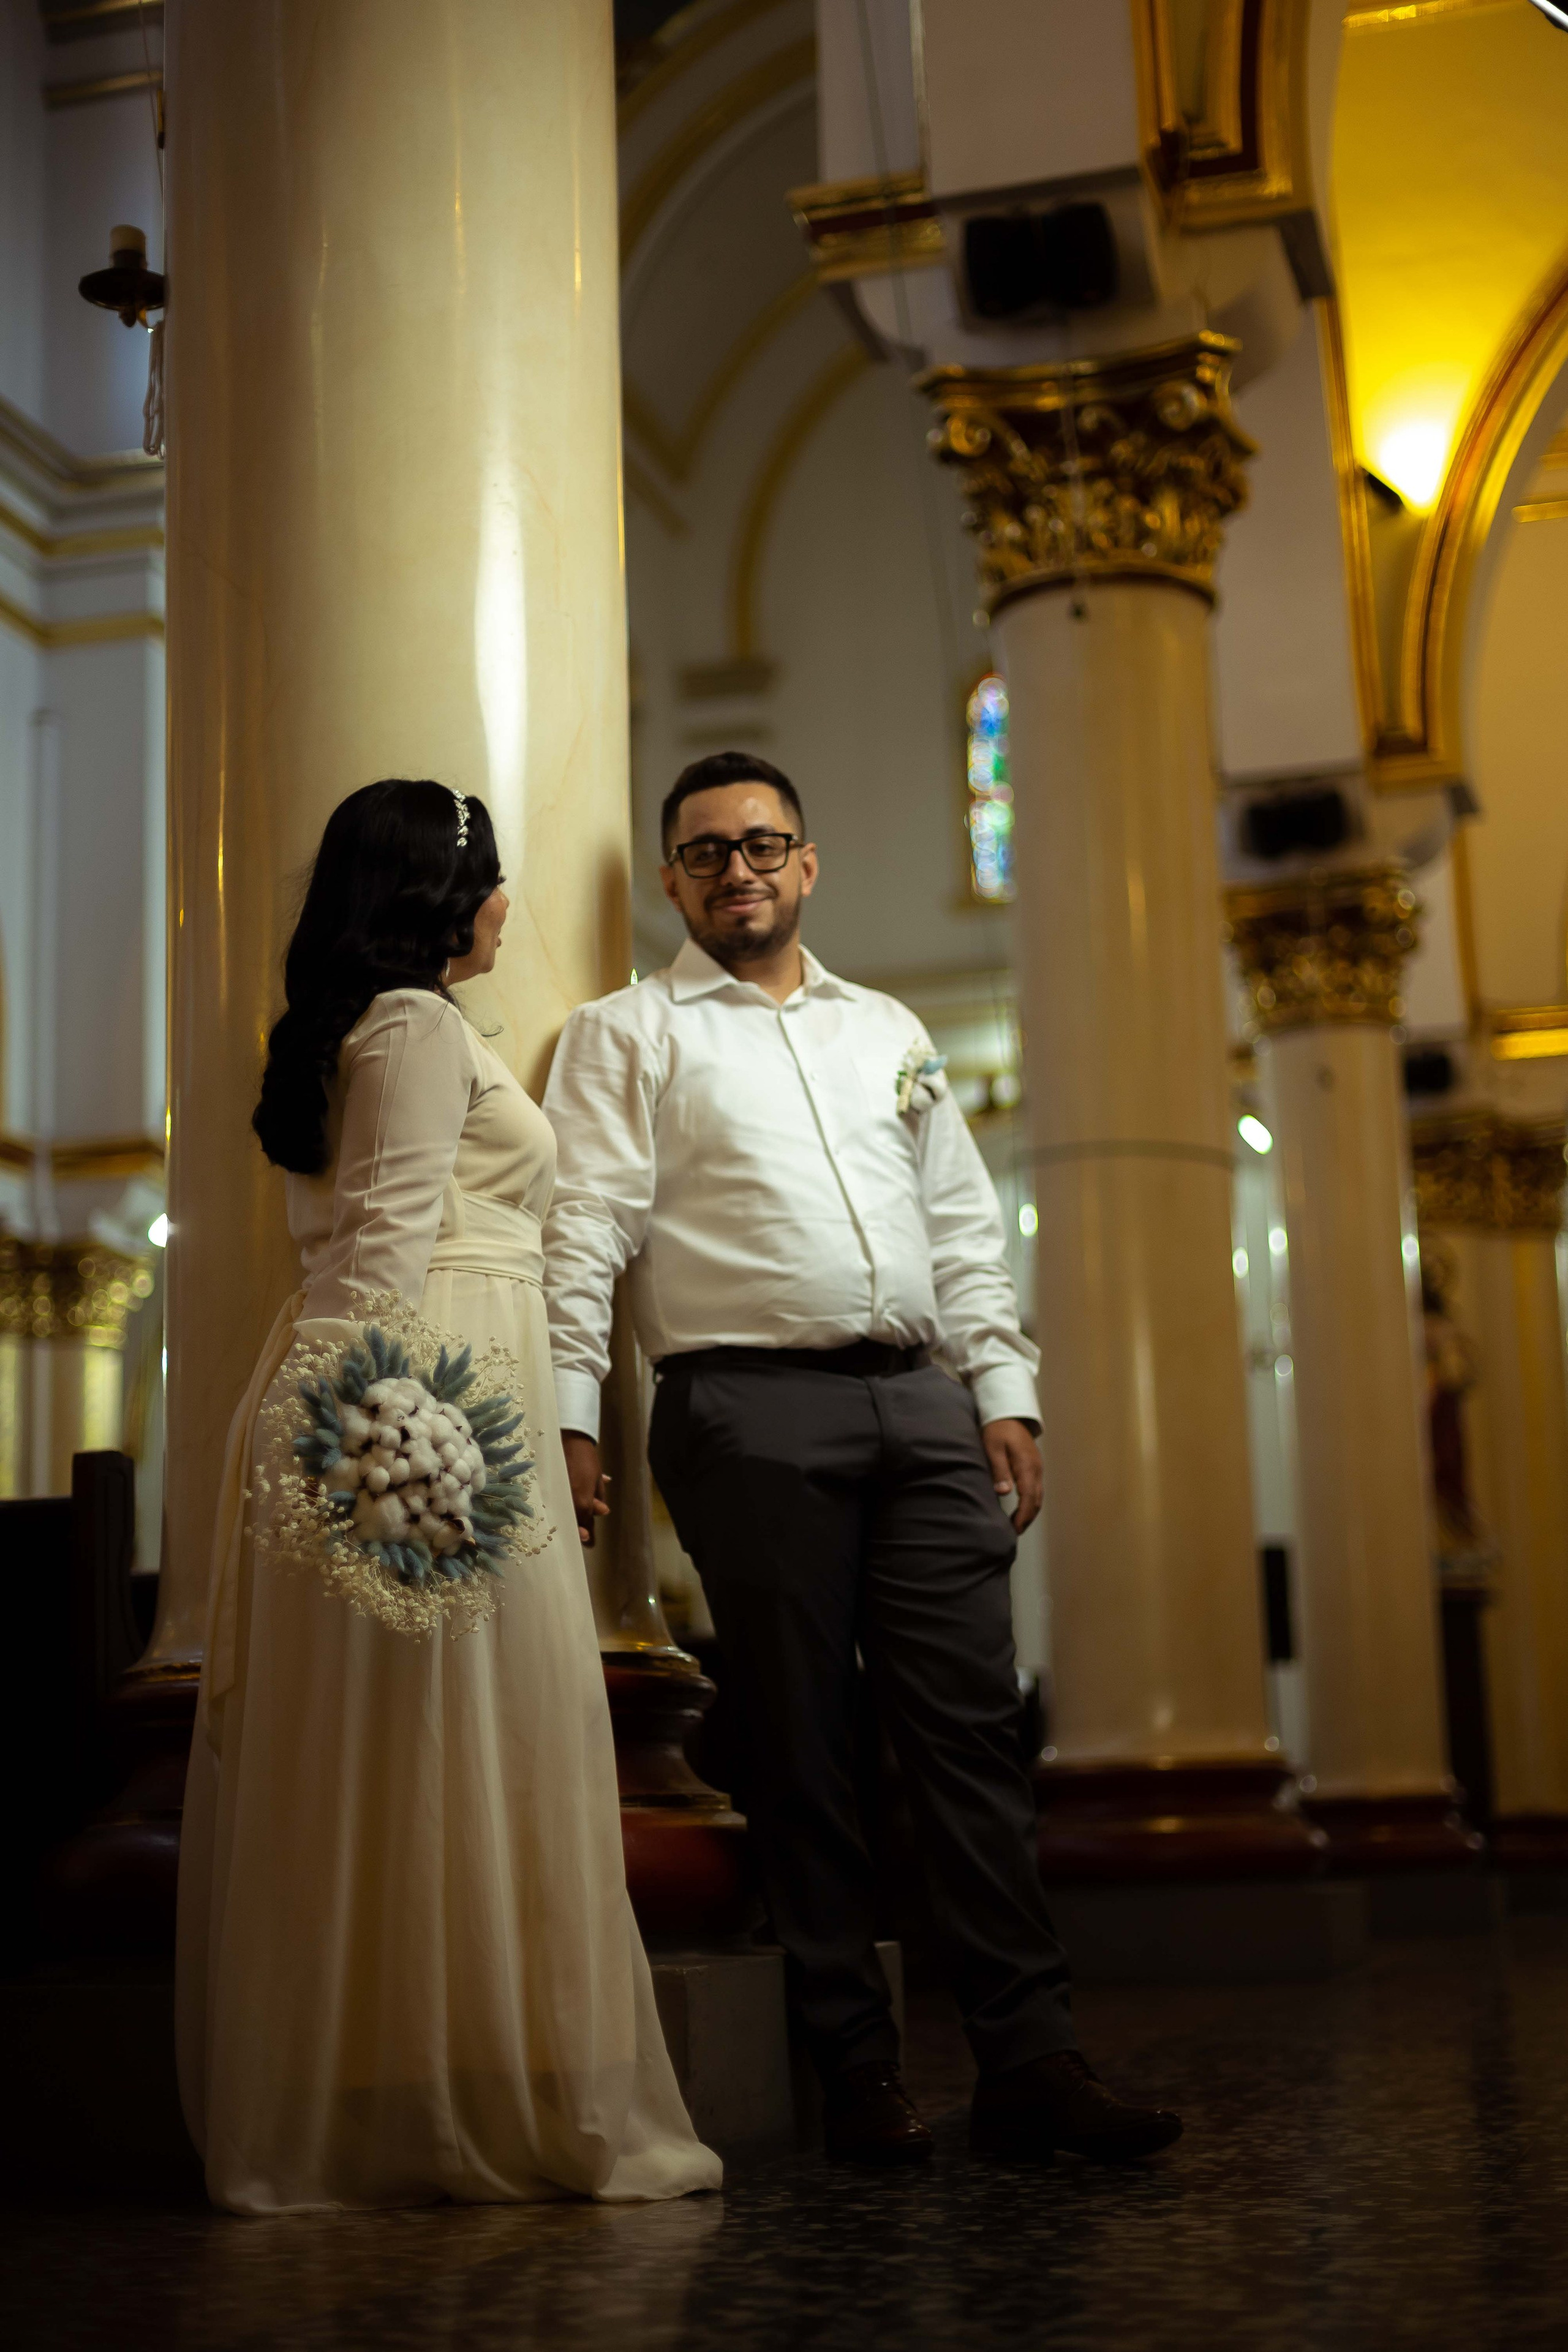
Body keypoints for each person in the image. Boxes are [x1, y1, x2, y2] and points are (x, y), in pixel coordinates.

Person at [542, 750, 1182, 2168]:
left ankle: (1030, 2060)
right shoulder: (629, 1035)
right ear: (672, 882)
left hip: (918, 1406)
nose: (738, 869)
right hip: (745, 1410)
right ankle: (857, 2075)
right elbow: (582, 1231)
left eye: (763, 844)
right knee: (804, 1749)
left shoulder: (880, 1025)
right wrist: (572, 1413)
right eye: (706, 853)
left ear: (806, 863)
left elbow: (958, 1222)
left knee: (970, 1739)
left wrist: (999, 1390)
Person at [176, 778, 721, 2214]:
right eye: (490, 878)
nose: (504, 906)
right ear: (435, 893)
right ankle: (473, 2092)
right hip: (427, 1402)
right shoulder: (415, 1028)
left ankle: (440, 2070)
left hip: (424, 1397)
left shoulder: (381, 1031)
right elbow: (381, 1251)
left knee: (437, 1747)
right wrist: (382, 1455)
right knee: (472, 1738)